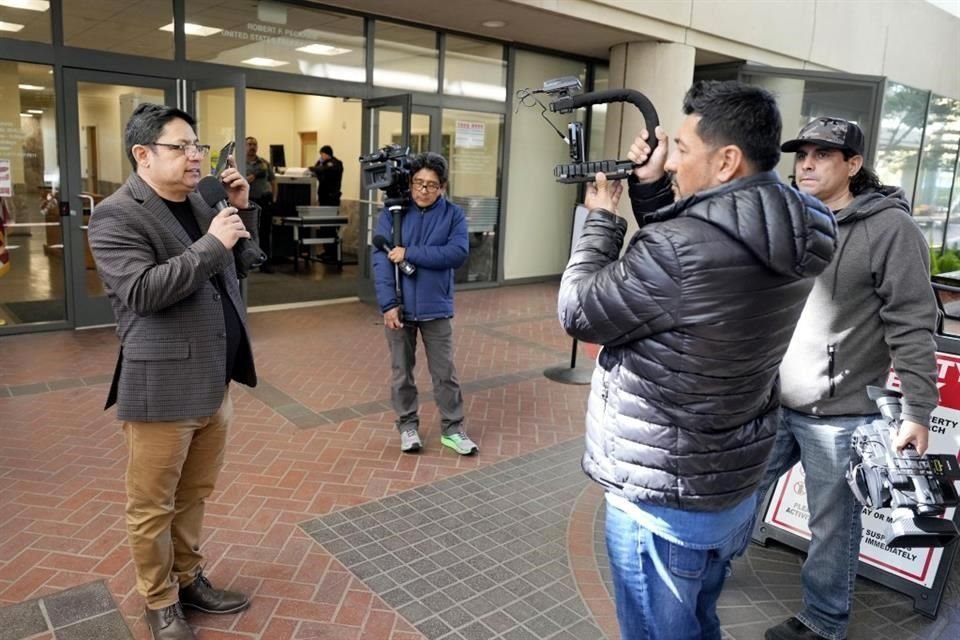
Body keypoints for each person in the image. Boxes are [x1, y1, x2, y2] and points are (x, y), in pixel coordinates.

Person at [557, 80, 838, 640]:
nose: (673, 158)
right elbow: (700, 264)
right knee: (699, 620)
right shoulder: (807, 225)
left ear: (727, 160)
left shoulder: (680, 251)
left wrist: (600, 220)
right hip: (730, 483)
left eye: (683, 148)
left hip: (664, 497)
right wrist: (655, 185)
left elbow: (579, 311)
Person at [758, 117, 938, 640]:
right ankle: (706, 569)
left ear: (853, 165)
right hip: (773, 397)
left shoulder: (892, 230)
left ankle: (824, 620)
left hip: (840, 413)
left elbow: (911, 322)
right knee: (736, 491)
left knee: (832, 525)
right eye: (802, 154)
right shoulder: (794, 218)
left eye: (823, 155)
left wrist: (918, 411)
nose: (807, 163)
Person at [88, 103, 260, 640]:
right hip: (161, 386)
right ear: (143, 154)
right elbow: (141, 292)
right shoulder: (118, 214)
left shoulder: (205, 198)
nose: (195, 157)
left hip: (215, 380)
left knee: (194, 494)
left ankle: (189, 579)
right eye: (181, 147)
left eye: (198, 146)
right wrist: (213, 242)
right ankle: (159, 601)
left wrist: (240, 211)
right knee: (152, 506)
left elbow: (247, 262)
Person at [371, 152, 478, 456]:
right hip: (399, 308)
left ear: (442, 187)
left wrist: (409, 253)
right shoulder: (393, 212)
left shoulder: (453, 215)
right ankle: (407, 426)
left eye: (431, 185)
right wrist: (388, 304)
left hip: (436, 306)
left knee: (445, 373)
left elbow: (456, 253)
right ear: (410, 182)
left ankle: (453, 429)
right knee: (401, 372)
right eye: (418, 183)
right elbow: (380, 260)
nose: (422, 190)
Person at [244, 136, 276, 271]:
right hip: (249, 202)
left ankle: (265, 263)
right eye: (250, 144)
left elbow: (273, 181)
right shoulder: (240, 162)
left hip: (265, 200)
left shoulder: (264, 163)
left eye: (255, 144)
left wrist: (274, 198)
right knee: (249, 233)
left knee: (265, 232)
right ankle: (249, 263)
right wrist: (248, 179)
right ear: (244, 146)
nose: (252, 147)